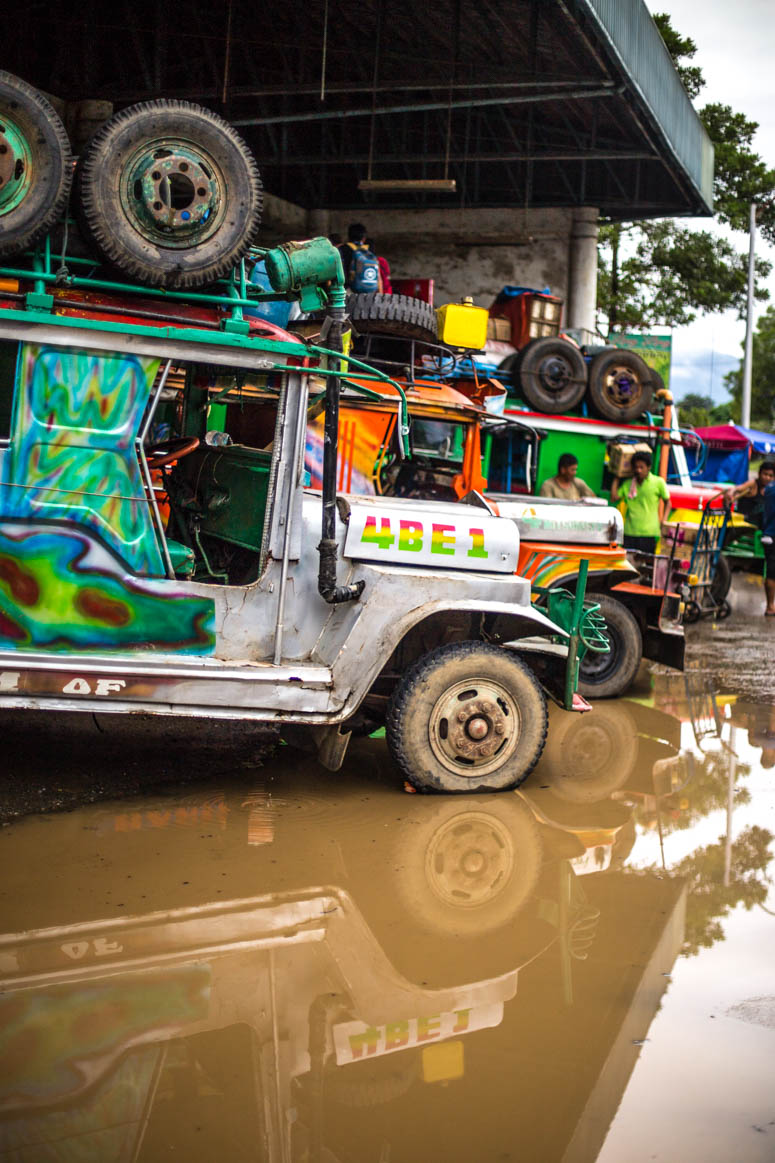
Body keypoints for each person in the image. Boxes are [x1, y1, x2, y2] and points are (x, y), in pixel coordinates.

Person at [613, 449, 670, 553]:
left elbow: (668, 503)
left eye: (641, 467)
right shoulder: (627, 484)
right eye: (636, 467)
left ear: (648, 467)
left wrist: (664, 521)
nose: (638, 470)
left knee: (646, 567)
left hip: (649, 533)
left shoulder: (658, 482)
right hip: (629, 532)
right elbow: (614, 498)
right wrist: (617, 476)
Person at [724, 459, 775, 528]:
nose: (767, 478)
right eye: (765, 474)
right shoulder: (753, 484)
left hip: (761, 523)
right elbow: (736, 489)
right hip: (745, 521)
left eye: (770, 476)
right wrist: (731, 493)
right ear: (759, 474)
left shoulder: (771, 489)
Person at [338, 223, 382, 293]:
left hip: (349, 290)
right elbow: (378, 275)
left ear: (349, 236)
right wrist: (380, 294)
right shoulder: (369, 250)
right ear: (364, 238)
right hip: (369, 291)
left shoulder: (342, 249)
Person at [760, 467, 775, 615]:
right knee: (771, 572)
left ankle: (771, 605)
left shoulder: (769, 488)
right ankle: (770, 606)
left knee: (771, 571)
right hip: (773, 534)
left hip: (768, 533)